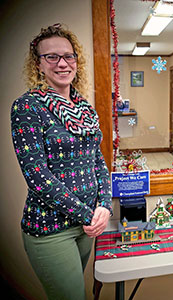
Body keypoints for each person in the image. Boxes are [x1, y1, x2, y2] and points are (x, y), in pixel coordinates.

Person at [10, 24, 113, 300]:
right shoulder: (28, 107)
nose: (62, 63)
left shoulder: (85, 109)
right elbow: (37, 177)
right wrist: (88, 213)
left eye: (68, 56)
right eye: (51, 57)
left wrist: (104, 205)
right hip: (51, 230)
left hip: (85, 228)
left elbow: (98, 161)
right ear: (38, 65)